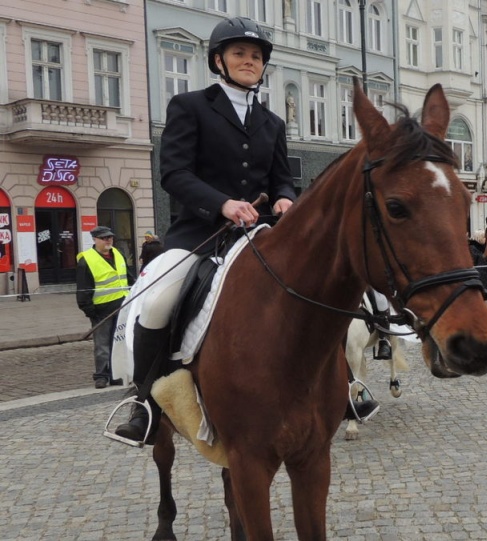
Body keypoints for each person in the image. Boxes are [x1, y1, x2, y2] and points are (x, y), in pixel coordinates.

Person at [113, 17, 375, 444]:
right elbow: (174, 173)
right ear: (219, 60)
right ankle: (143, 402)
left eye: (255, 56)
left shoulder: (272, 122)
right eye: (239, 53)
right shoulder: (190, 105)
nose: (248, 61)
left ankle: (345, 388)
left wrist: (287, 198)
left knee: (322, 293)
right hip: (200, 232)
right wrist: (222, 203)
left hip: (260, 234)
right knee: (159, 300)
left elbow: (280, 179)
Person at [76, 226, 134, 389]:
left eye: (110, 237)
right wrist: (89, 310)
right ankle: (101, 376)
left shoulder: (118, 254)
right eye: (104, 238)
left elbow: (128, 278)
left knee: (118, 343)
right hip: (101, 310)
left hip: (122, 307)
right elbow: (83, 289)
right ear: (95, 240)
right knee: (102, 345)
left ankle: (116, 374)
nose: (108, 240)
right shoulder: (86, 260)